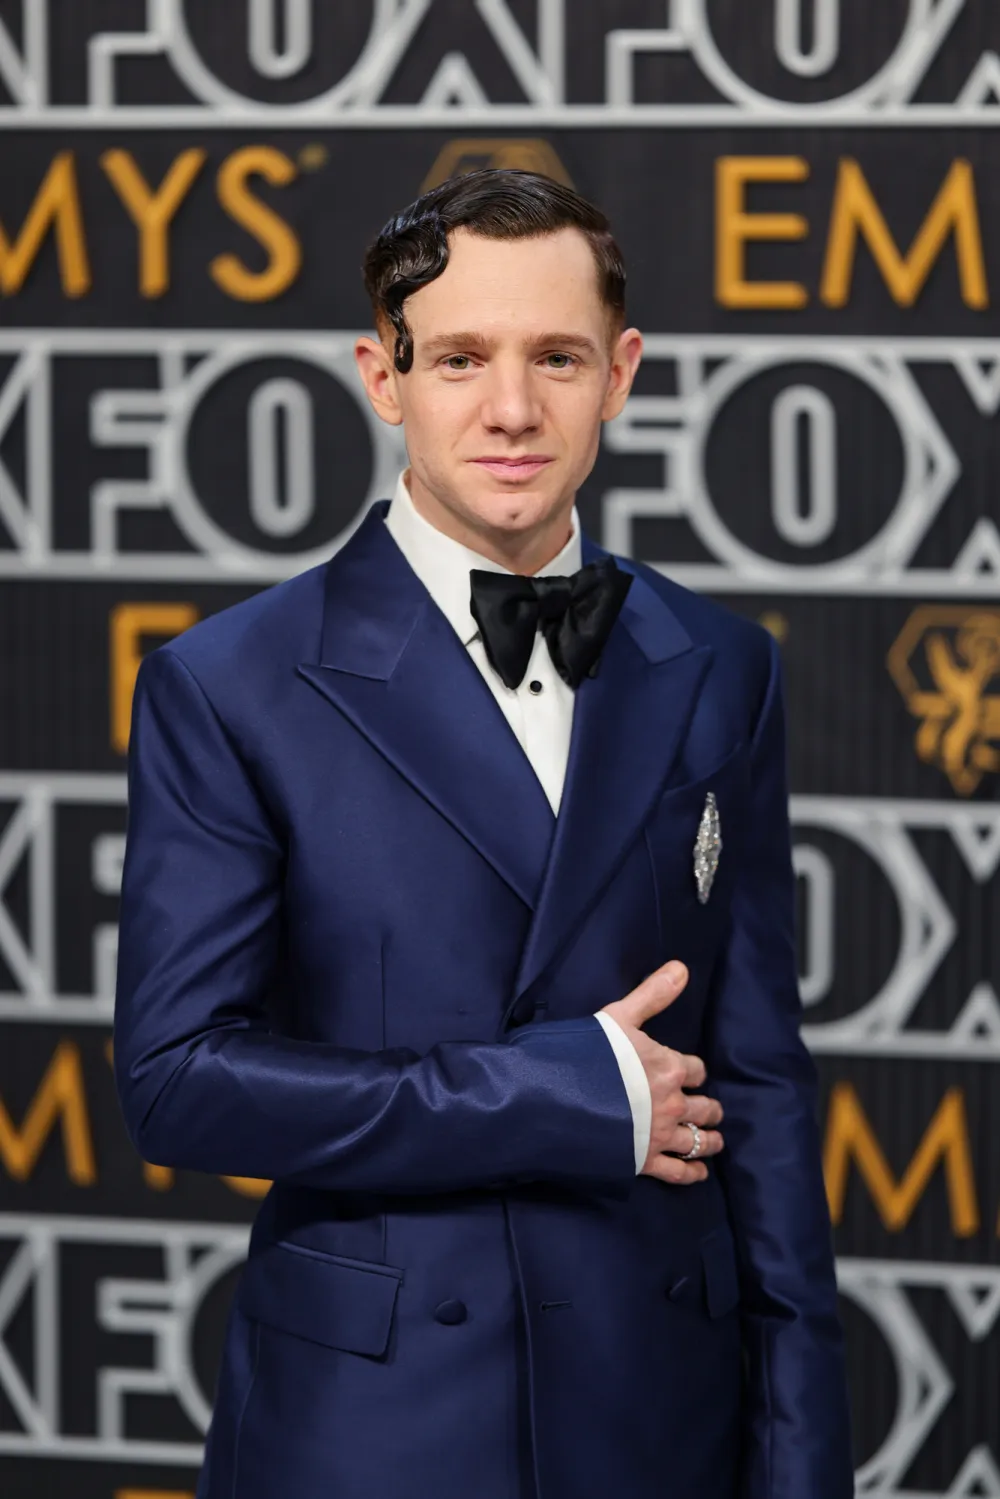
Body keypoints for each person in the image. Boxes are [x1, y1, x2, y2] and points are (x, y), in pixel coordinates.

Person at [114, 169, 853, 1499]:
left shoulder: (722, 666)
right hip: (374, 1424)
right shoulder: (228, 684)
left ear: (621, 372)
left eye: (556, 357)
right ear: (381, 375)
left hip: (660, 1412)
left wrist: (803, 1465)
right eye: (460, 358)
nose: (513, 410)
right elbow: (178, 1078)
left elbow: (763, 1087)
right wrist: (554, 1091)